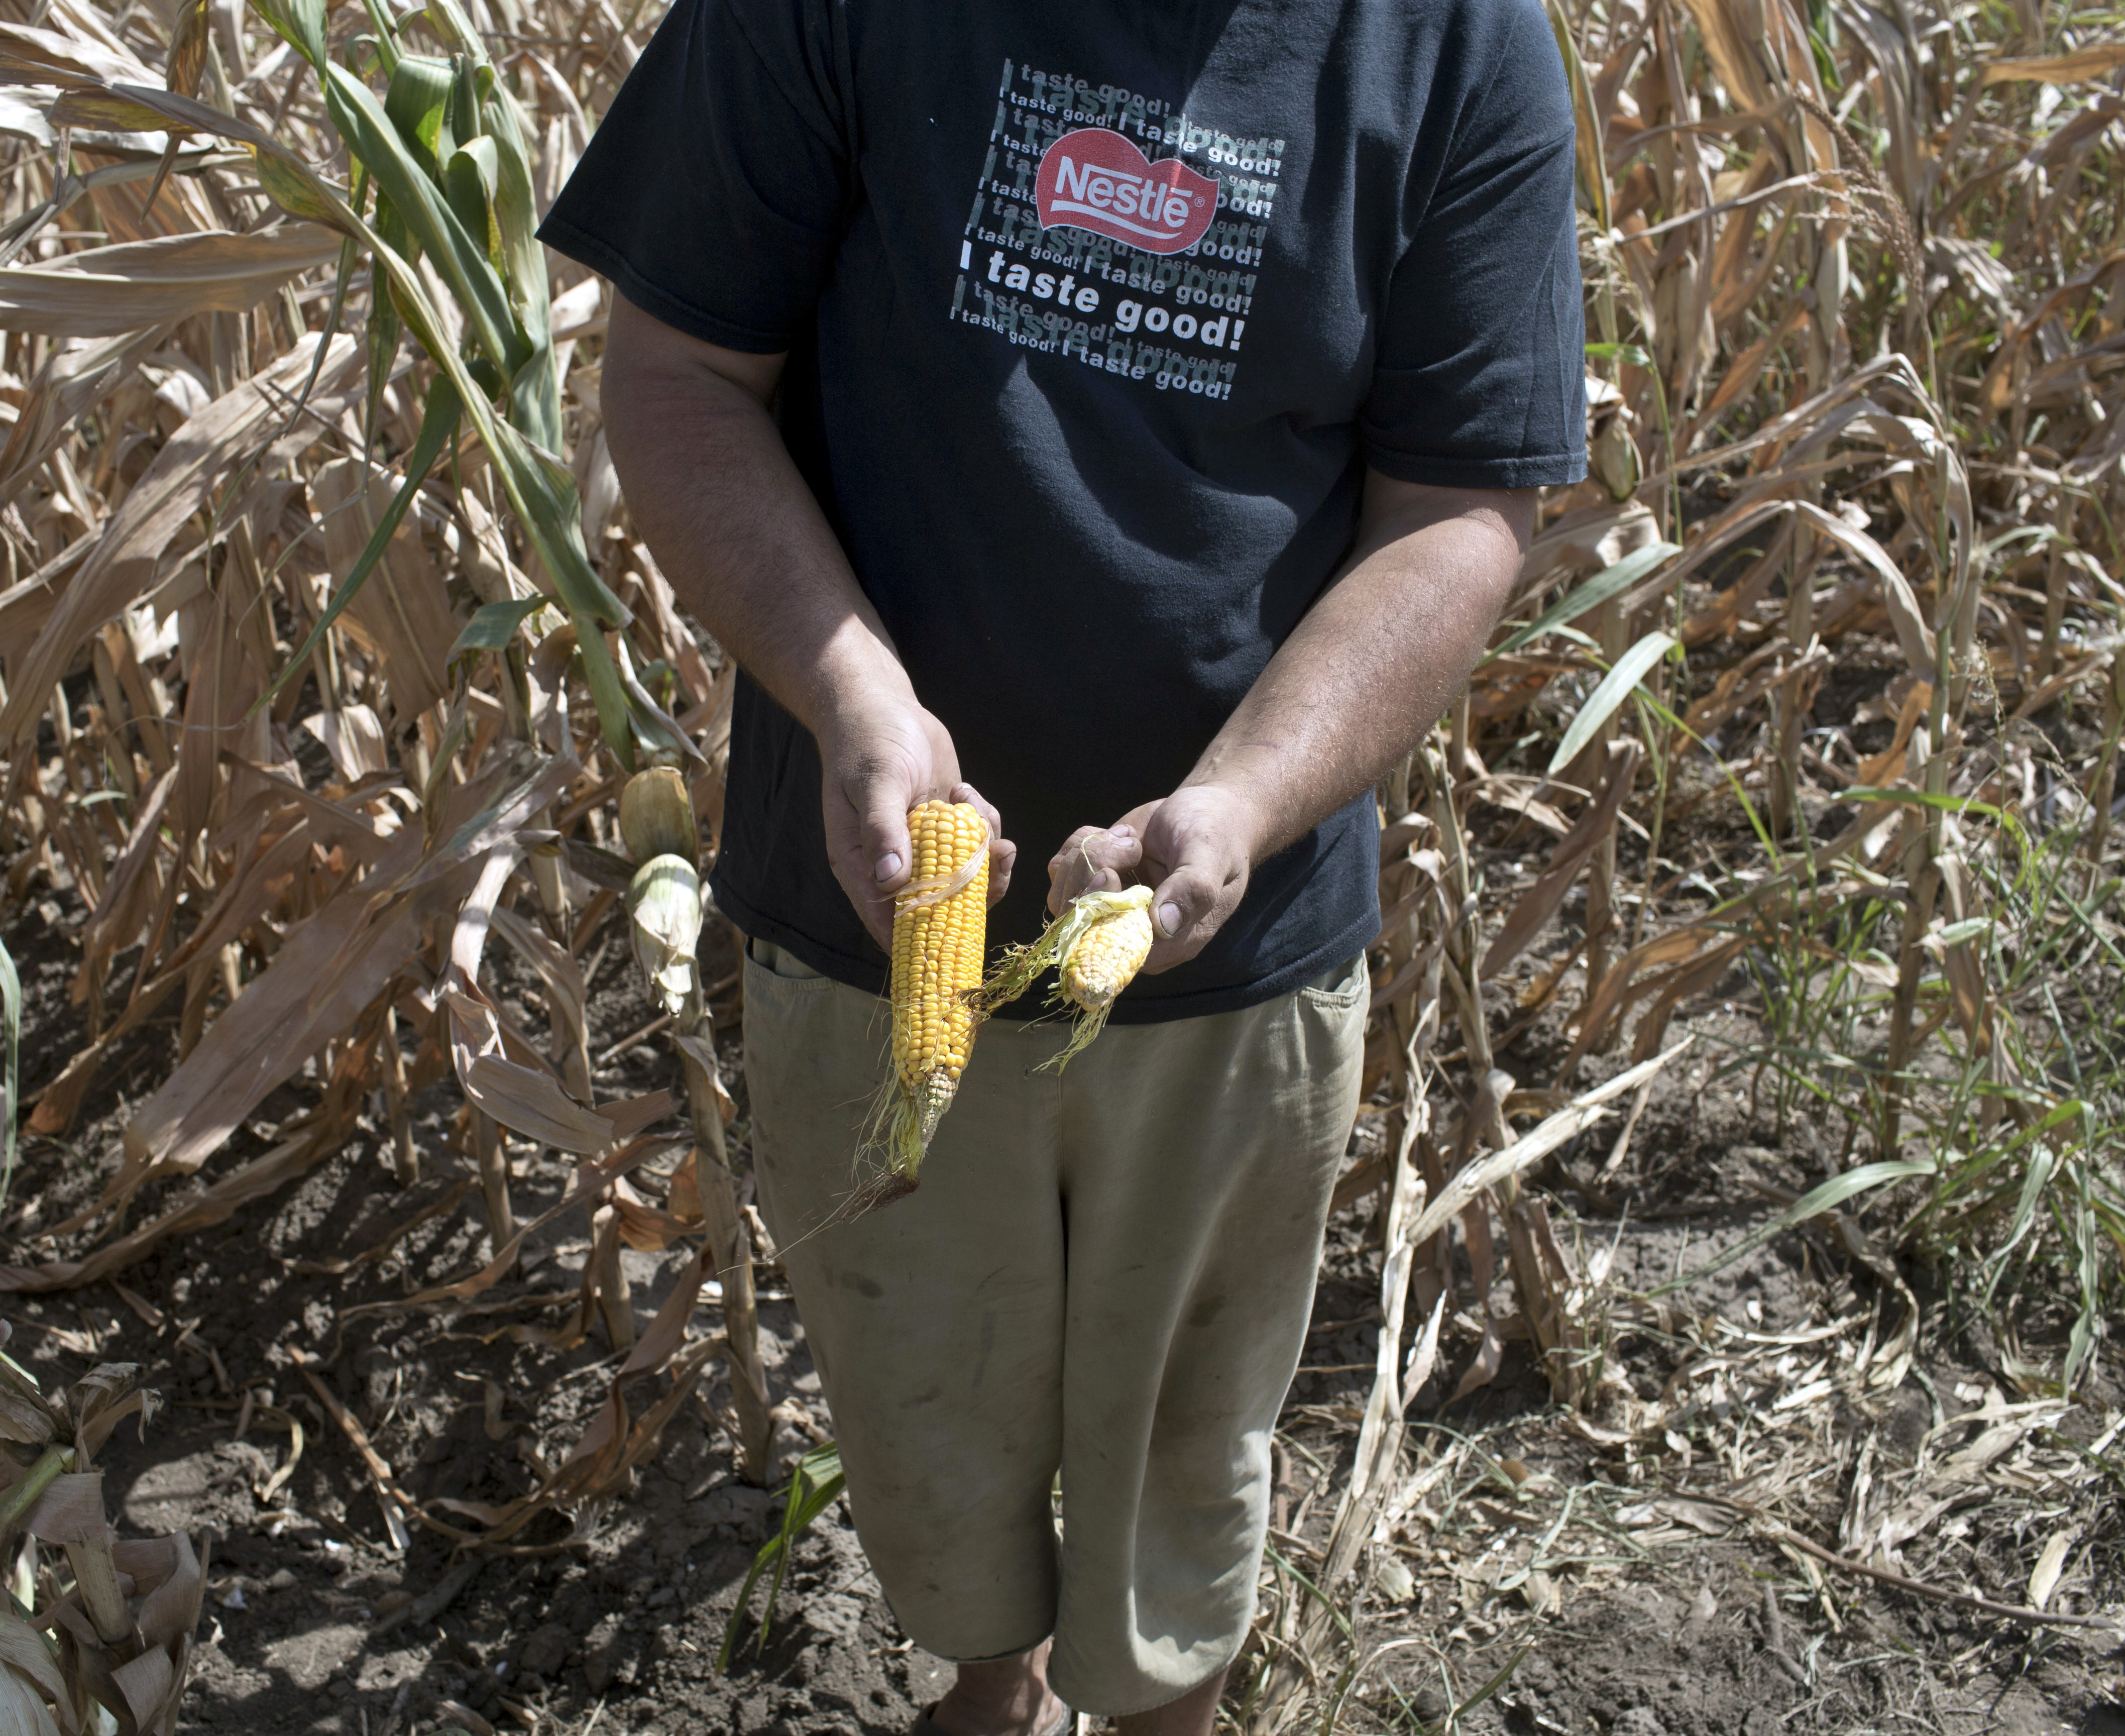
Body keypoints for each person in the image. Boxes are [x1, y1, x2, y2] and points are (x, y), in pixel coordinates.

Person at [541, 0, 1585, 1724]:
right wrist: (851, 693)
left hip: (1238, 950)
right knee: (921, 1393)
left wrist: (1244, 801)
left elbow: (1458, 510)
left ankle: (1163, 1702)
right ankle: (987, 1679)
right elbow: (678, 374)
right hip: (866, 914)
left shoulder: (1457, 40)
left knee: (1188, 1430)